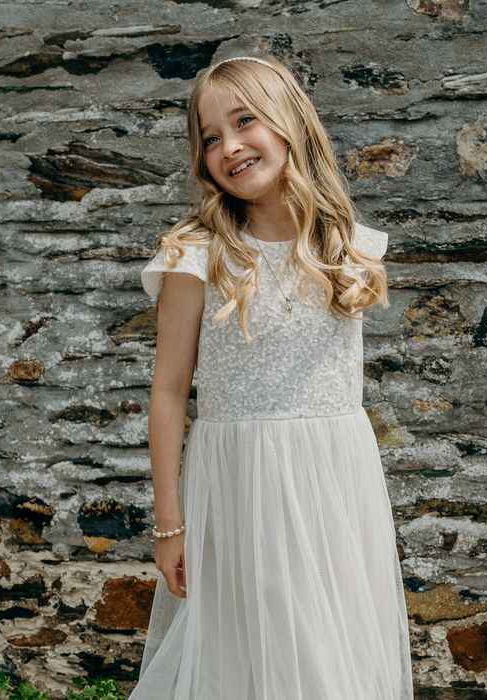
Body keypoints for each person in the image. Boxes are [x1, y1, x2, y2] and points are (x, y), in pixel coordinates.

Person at [129, 54, 414, 699]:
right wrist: (170, 525)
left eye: (244, 121)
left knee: (331, 659)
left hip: (335, 486)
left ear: (289, 123)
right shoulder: (196, 254)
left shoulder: (349, 248)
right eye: (209, 137)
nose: (228, 147)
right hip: (239, 486)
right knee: (249, 659)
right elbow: (170, 390)